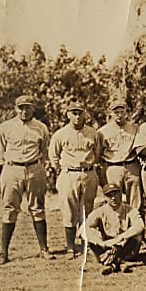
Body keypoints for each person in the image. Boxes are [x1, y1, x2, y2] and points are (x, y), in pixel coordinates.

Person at [0, 95, 53, 264]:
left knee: (38, 208)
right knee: (10, 209)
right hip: (12, 169)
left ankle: (44, 249)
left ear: (33, 108)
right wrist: (6, 165)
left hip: (34, 168)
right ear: (15, 108)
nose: (24, 111)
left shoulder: (41, 128)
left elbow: (44, 150)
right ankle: (3, 252)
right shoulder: (6, 127)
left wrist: (37, 165)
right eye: (21, 107)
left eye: (27, 107)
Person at [49, 99, 103, 259]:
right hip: (69, 174)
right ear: (68, 115)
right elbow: (53, 156)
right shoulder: (60, 134)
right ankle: (71, 247)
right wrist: (63, 169)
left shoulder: (93, 133)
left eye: (80, 113)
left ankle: (85, 244)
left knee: (87, 210)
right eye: (74, 113)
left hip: (88, 173)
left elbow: (97, 153)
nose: (77, 116)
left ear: (84, 114)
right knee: (69, 211)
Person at [81, 183, 144, 275]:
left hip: (125, 248)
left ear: (120, 194)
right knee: (90, 236)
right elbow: (83, 229)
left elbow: (140, 226)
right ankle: (118, 263)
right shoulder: (100, 211)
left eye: (115, 194)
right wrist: (100, 242)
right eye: (109, 196)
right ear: (105, 198)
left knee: (136, 236)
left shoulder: (129, 210)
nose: (113, 198)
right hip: (106, 249)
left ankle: (114, 263)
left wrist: (119, 239)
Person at [99, 99, 142, 216]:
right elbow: (99, 154)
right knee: (114, 200)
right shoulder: (103, 131)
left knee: (135, 202)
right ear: (110, 113)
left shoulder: (135, 128)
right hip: (113, 167)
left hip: (131, 165)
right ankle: (116, 230)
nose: (119, 115)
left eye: (122, 112)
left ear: (127, 113)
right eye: (116, 112)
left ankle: (136, 231)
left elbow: (139, 149)